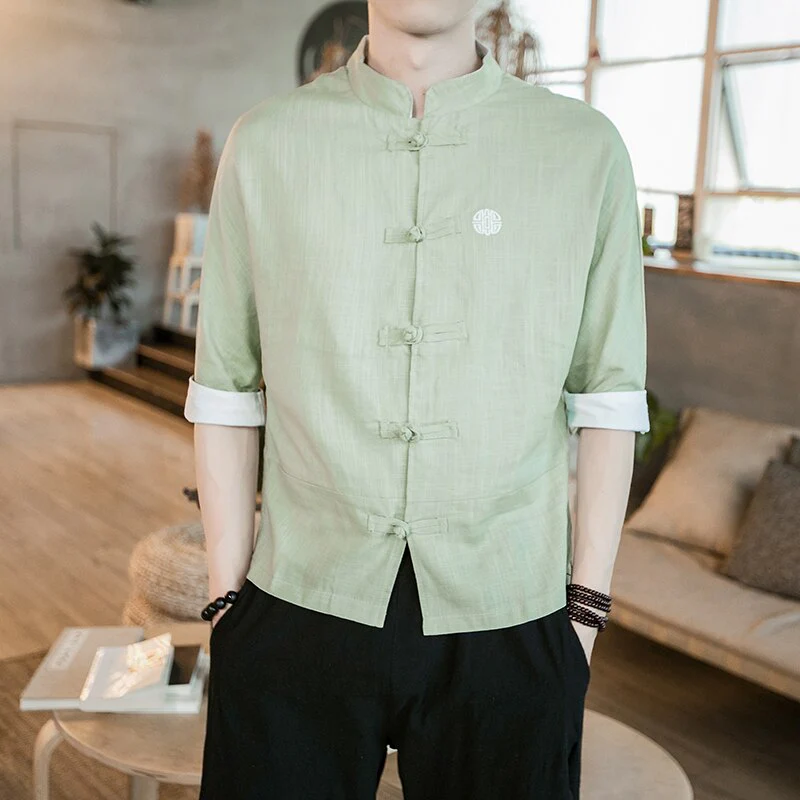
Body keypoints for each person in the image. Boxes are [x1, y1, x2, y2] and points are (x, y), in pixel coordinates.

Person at [184, 1, 650, 798]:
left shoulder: (585, 149)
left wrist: (584, 613)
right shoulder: (264, 142)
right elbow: (224, 386)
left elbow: (609, 397)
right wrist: (229, 601)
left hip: (512, 615)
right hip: (296, 602)